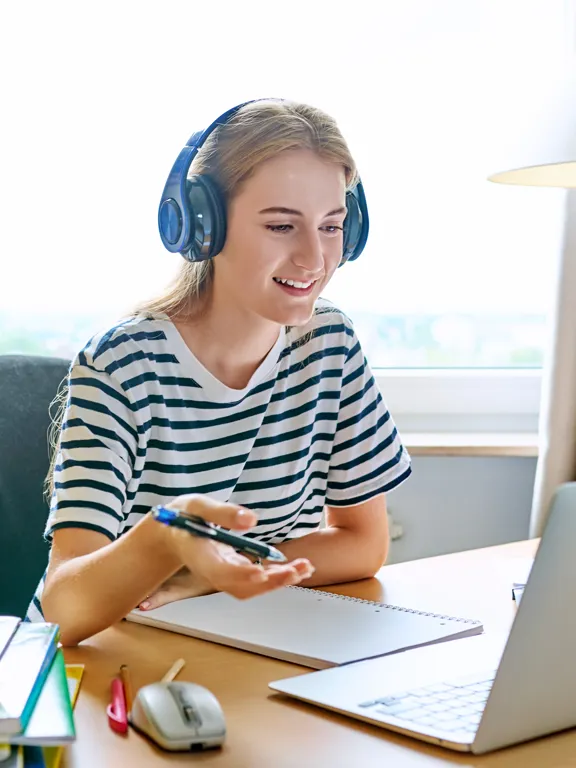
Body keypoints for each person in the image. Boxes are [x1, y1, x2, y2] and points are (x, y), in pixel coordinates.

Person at [26, 98, 412, 645]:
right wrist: (166, 539)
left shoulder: (329, 344)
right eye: (282, 226)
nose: (314, 259)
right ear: (203, 226)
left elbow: (363, 544)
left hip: (252, 643)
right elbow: (63, 605)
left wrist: (206, 577)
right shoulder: (123, 365)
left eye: (331, 226)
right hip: (129, 660)